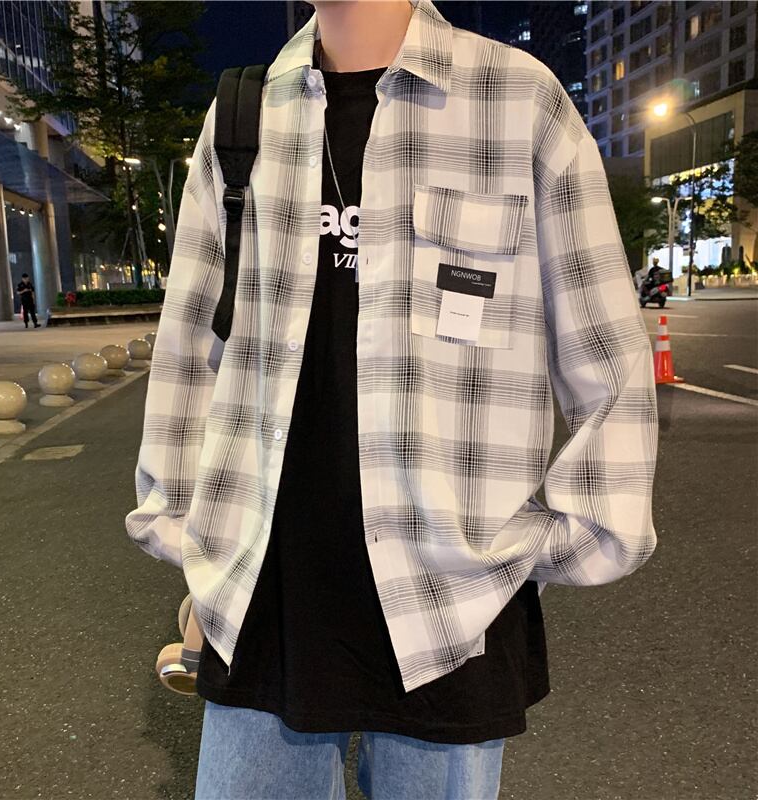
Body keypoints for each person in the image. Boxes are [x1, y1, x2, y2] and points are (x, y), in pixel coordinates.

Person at [125, 1, 659, 798]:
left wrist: (552, 544)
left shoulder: (516, 100)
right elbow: (191, 347)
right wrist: (193, 545)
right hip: (267, 591)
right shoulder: (242, 115)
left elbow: (607, 355)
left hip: (453, 600)